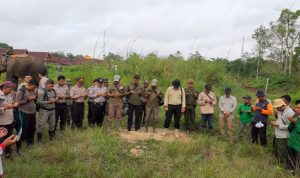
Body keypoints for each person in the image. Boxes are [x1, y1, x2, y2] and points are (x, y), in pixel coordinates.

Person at [15, 79, 39, 151]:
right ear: (30, 84)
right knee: (23, 129)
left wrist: (35, 99)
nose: (34, 88)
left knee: (32, 128)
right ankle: (19, 144)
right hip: (23, 112)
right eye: (34, 87)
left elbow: (33, 99)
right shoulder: (21, 90)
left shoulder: (33, 90)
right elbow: (17, 102)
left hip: (32, 112)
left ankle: (30, 142)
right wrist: (27, 100)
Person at [271, 98, 294, 167]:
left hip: (284, 136)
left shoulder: (289, 112)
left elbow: (291, 126)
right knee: (277, 149)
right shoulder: (280, 111)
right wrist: (275, 123)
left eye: (277, 107)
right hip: (278, 133)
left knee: (282, 151)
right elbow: (279, 120)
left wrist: (278, 125)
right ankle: (277, 162)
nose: (277, 109)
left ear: (282, 106)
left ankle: (280, 165)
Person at [0, 81, 18, 159]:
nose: (11, 91)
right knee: (1, 140)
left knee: (9, 138)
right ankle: (1, 155)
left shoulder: (10, 95)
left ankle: (8, 154)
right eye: (10, 89)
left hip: (10, 121)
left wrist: (14, 105)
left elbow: (11, 104)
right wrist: (6, 107)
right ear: (5, 88)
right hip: (2, 122)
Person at [287, 100, 300, 172]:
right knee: (290, 161)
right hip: (291, 143)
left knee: (297, 163)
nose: (296, 109)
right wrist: (292, 122)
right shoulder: (295, 116)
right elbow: (289, 129)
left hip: (298, 146)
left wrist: (295, 123)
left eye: (298, 108)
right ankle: (290, 172)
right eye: (296, 107)